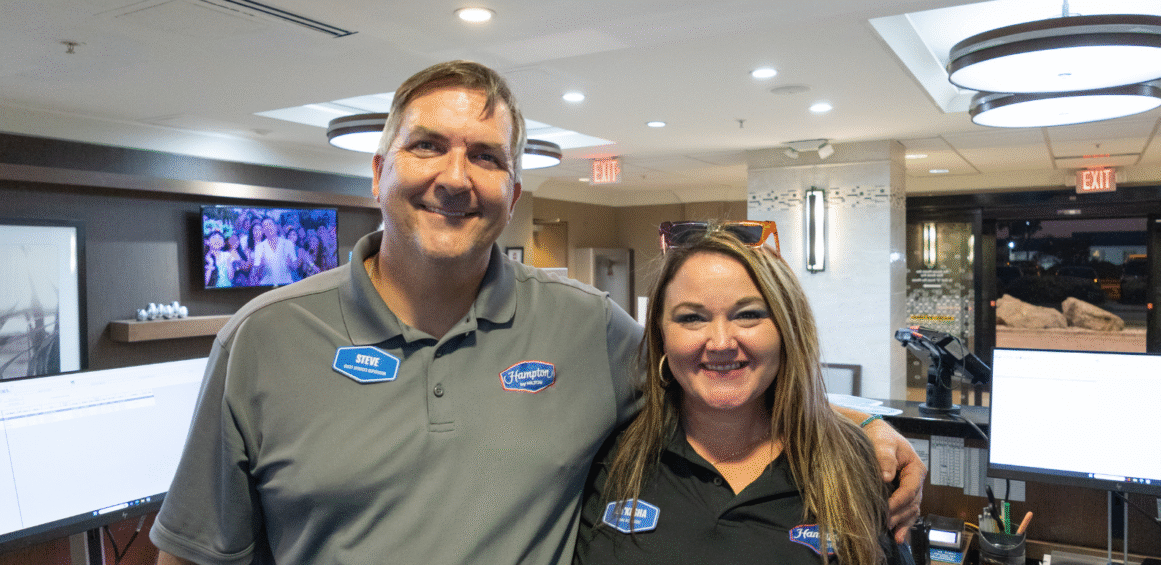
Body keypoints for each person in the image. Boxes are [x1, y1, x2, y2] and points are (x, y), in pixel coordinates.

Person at [150, 60, 924, 565]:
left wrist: (863, 427)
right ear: (379, 172)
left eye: (487, 156)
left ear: (514, 196)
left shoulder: (583, 327)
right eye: (428, 147)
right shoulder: (264, 340)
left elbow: (714, 376)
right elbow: (191, 554)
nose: (457, 177)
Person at [574, 222, 914, 564]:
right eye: (692, 318)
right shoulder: (607, 457)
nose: (721, 342)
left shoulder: (855, 463)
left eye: (748, 315)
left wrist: (866, 424)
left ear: (787, 328)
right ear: (661, 337)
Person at [251, 216, 298, 286]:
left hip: (286, 285)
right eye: (265, 226)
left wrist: (290, 263)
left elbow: (295, 266)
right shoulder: (259, 247)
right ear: (263, 230)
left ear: (275, 227)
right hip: (267, 287)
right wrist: (261, 266)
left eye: (270, 225)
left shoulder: (288, 243)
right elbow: (256, 274)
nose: (268, 228)